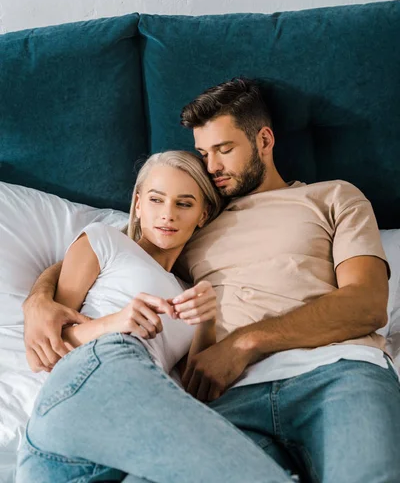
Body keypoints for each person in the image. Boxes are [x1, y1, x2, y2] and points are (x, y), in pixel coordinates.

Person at [23, 79, 400, 482]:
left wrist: (244, 342)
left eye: (224, 150)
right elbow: (112, 246)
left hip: (337, 373)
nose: (212, 166)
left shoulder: (333, 198)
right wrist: (39, 300)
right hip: (227, 397)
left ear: (264, 140)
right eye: (204, 153)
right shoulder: (191, 220)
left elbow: (367, 303)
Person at [17, 150, 294, 483]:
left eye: (184, 204)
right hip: (87, 382)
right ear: (137, 203)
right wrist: (117, 322)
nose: (168, 215)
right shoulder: (105, 241)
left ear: (203, 215)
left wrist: (207, 319)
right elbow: (48, 350)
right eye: (156, 200)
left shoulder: (190, 290)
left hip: (88, 455)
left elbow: (195, 392)